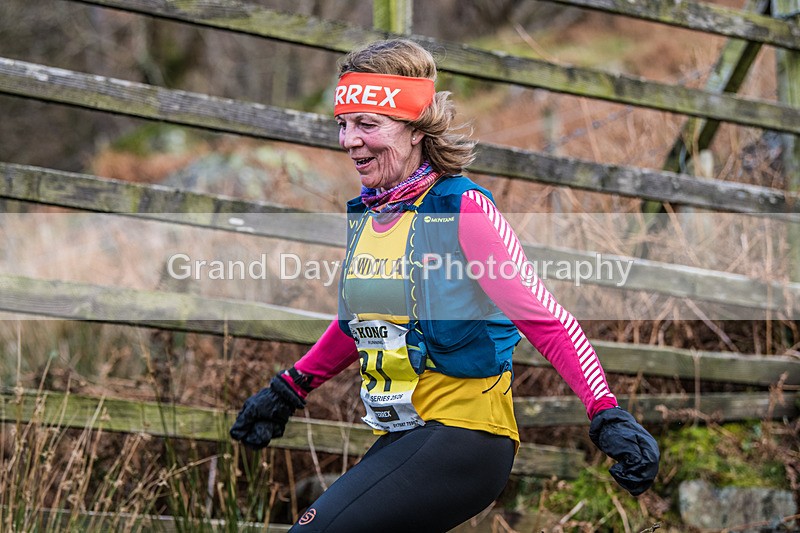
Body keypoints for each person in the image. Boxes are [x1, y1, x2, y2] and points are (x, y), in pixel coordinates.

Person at [230, 39, 659, 533]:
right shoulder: (371, 215)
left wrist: (606, 413)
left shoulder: (462, 208)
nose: (350, 141)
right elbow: (361, 324)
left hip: (466, 436)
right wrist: (290, 388)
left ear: (416, 129)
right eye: (343, 124)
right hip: (409, 433)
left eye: (368, 124)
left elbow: (543, 318)